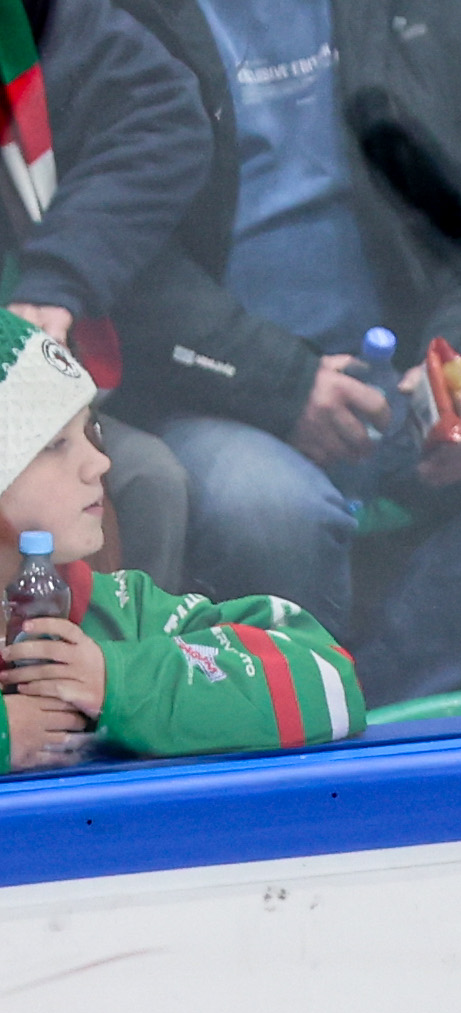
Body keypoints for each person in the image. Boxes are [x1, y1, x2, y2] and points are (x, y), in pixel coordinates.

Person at [106, 0, 461, 705]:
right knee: (269, 513)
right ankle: (296, 722)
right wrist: (283, 385)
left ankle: (379, 703)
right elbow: (118, 249)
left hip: (404, 370)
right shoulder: (118, 15)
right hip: (214, 389)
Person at [0, 308, 361, 769]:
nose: (99, 463)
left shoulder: (118, 612)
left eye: (91, 431)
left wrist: (116, 680)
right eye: (55, 444)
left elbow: (329, 680)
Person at [0, 0, 212, 582]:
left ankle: (111, 638)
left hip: (35, 374)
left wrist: (58, 276)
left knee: (146, 480)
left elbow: (163, 115)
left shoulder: (34, 18)